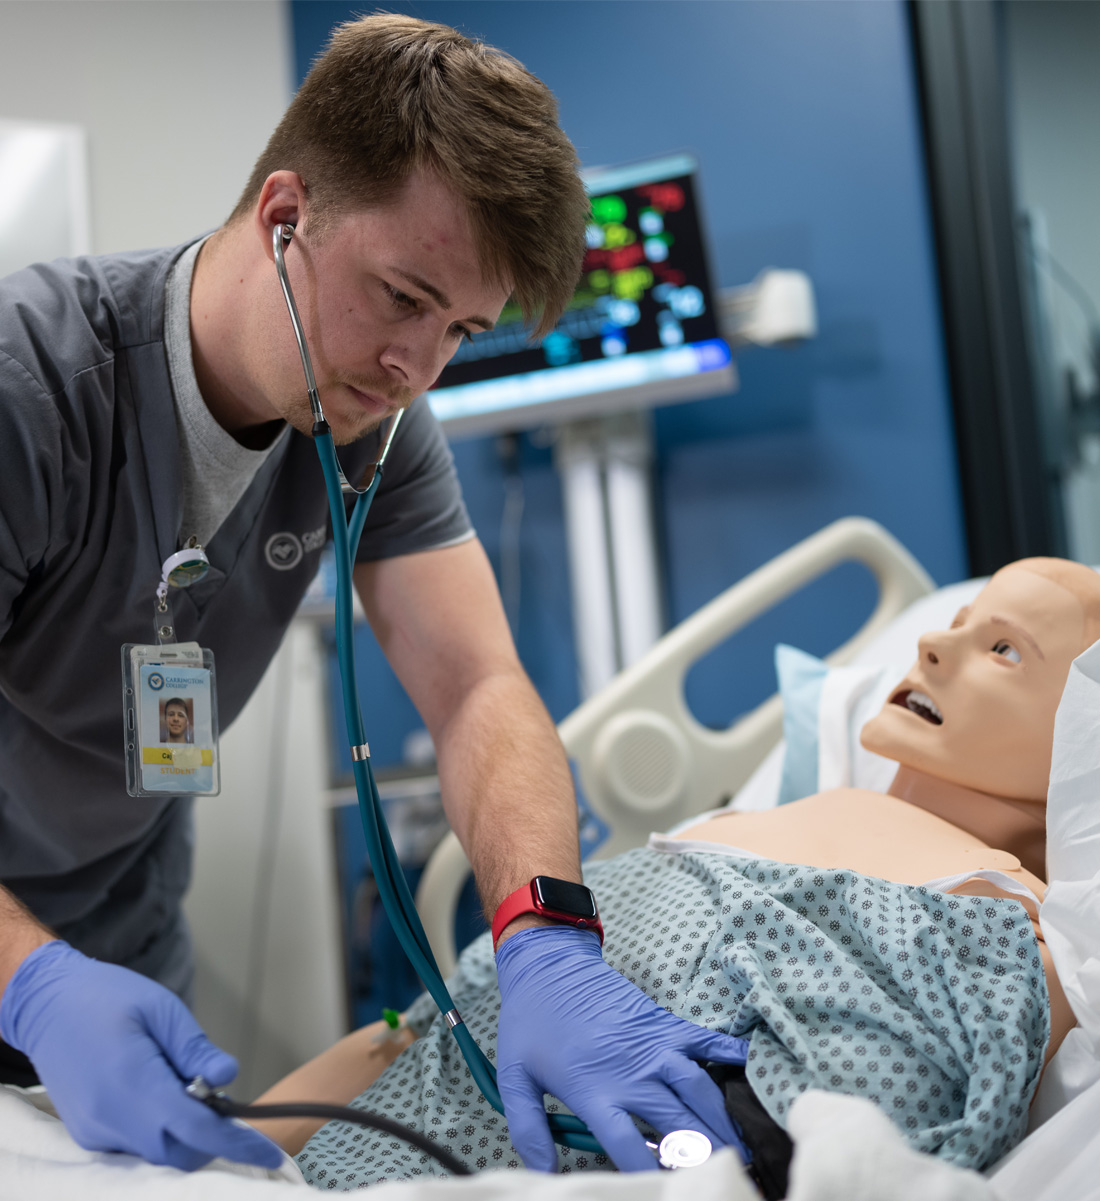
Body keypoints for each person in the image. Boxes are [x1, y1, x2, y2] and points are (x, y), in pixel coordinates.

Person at [0, 14, 748, 1177]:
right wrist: (30, 981)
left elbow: (476, 687)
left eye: (458, 330)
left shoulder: (378, 428)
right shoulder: (32, 389)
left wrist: (547, 936)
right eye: (402, 296)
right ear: (284, 214)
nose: (417, 367)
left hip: (121, 945)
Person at [244, 557, 1098, 1186]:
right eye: (961, 618)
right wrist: (223, 1146)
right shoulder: (725, 826)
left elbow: (799, 1150)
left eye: (1005, 649)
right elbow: (421, 1026)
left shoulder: (999, 927)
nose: (934, 644)